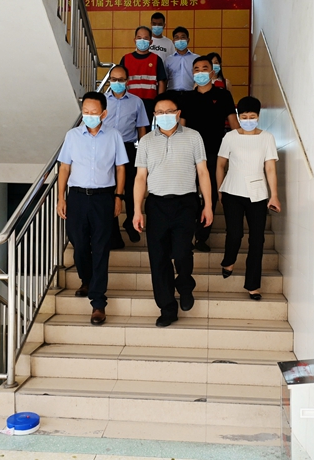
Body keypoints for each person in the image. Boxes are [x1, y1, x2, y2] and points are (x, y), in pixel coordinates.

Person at [132, 92, 214, 327]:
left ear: (178, 114)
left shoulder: (193, 137)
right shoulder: (146, 141)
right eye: (159, 112)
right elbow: (140, 177)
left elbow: (203, 172)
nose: (164, 116)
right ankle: (167, 308)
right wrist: (137, 210)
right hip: (157, 204)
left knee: (182, 252)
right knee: (158, 259)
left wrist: (208, 205)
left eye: (169, 112)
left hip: (186, 203)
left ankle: (185, 285)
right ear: (154, 115)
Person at [56, 92, 128, 325]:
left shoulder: (114, 136)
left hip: (103, 198)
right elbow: (64, 167)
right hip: (77, 197)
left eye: (93, 112)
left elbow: (120, 168)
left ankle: (98, 303)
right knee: (78, 244)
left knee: (100, 248)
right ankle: (86, 279)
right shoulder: (72, 136)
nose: (89, 116)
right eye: (85, 112)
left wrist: (118, 196)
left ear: (103, 114)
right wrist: (61, 198)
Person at [216, 97, 281, 300]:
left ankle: (253, 285)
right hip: (232, 191)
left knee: (257, 239)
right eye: (244, 117)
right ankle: (229, 260)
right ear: (238, 117)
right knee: (235, 234)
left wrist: (274, 195)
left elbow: (270, 168)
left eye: (252, 116)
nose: (248, 120)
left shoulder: (267, 138)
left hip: (258, 194)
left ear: (258, 116)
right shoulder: (230, 137)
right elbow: (220, 165)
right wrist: (220, 189)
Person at [179, 56, 238, 252]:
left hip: (214, 151)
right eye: (196, 69)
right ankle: (186, 234)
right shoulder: (186, 98)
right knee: (189, 195)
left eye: (205, 68)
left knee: (209, 194)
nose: (200, 72)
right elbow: (181, 127)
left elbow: (234, 124)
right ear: (192, 73)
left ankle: (201, 236)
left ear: (212, 72)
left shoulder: (223, 95)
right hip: (189, 154)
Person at [104, 65, 150, 246]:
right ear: (109, 80)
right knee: (109, 190)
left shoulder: (136, 102)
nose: (117, 82)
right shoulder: (102, 100)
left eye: (121, 80)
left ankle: (131, 222)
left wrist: (143, 153)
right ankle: (114, 234)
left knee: (131, 188)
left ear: (127, 81)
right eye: (114, 79)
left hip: (128, 148)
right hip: (106, 148)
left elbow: (141, 128)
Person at [119, 26, 166, 125]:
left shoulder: (156, 59)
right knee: (128, 127)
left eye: (145, 38)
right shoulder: (126, 59)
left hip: (149, 103)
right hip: (129, 101)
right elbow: (120, 80)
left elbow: (161, 82)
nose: (142, 41)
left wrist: (159, 102)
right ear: (134, 40)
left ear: (151, 42)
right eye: (139, 38)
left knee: (146, 129)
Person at [165, 27, 196, 91]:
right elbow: (165, 79)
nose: (180, 40)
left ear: (188, 40)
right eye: (177, 38)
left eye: (183, 37)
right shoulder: (168, 60)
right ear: (173, 41)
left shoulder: (196, 59)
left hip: (190, 93)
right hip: (172, 93)